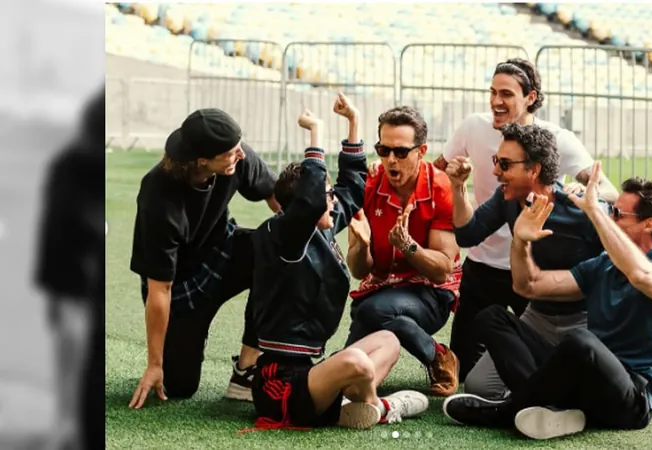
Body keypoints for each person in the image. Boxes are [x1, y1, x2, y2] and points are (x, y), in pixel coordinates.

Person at [443, 164, 652, 441]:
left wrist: (595, 211)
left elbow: (642, 276)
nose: (611, 217)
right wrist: (521, 241)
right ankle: (543, 409)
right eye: (611, 210)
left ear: (649, 224)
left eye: (618, 214)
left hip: (633, 399)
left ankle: (506, 411)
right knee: (493, 317)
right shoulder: (603, 266)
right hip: (585, 385)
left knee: (580, 341)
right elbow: (529, 285)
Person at [245, 95, 427, 431]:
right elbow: (316, 199)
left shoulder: (321, 227)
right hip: (279, 384)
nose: (333, 201)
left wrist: (354, 122)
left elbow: (353, 186)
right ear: (300, 205)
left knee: (388, 340)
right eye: (326, 195)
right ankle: (381, 406)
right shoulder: (283, 235)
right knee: (357, 361)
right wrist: (317, 132)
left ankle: (346, 404)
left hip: (313, 372)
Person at [434, 58, 619, 380]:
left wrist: (587, 193)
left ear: (530, 97)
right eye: (492, 92)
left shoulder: (558, 140)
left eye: (505, 93)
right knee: (468, 370)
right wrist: (452, 187)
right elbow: (437, 174)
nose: (495, 101)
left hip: (538, 270)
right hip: (485, 263)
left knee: (547, 360)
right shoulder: (474, 130)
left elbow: (607, 190)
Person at [128, 108, 280, 409]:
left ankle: (246, 369)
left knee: (277, 251)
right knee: (180, 386)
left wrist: (302, 237)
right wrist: (154, 363)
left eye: (239, 145)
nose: (239, 154)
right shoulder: (158, 195)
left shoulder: (238, 158)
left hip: (223, 252)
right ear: (201, 161)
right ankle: (188, 341)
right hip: (181, 287)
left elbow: (275, 196)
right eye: (229, 152)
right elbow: (160, 289)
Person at [448, 123, 606, 401]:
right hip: (538, 317)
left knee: (594, 391)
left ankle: (545, 392)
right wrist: (458, 187)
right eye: (497, 161)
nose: (496, 171)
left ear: (533, 170)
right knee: (480, 386)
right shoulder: (507, 200)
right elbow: (467, 234)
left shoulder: (579, 209)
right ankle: (545, 393)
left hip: (584, 322)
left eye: (505, 164)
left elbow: (619, 256)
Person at [346, 106, 461, 397]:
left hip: (430, 294)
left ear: (421, 151)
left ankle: (437, 356)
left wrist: (408, 247)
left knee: (371, 310)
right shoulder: (369, 185)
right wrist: (360, 245)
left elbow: (442, 270)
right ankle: (362, 380)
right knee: (348, 366)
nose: (390, 159)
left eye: (400, 152)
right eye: (383, 150)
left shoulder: (440, 187)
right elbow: (360, 270)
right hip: (380, 291)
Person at [35, 87, 104, 449]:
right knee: (73, 334)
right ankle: (66, 421)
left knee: (79, 337)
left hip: (84, 264)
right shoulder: (70, 172)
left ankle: (69, 422)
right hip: (73, 265)